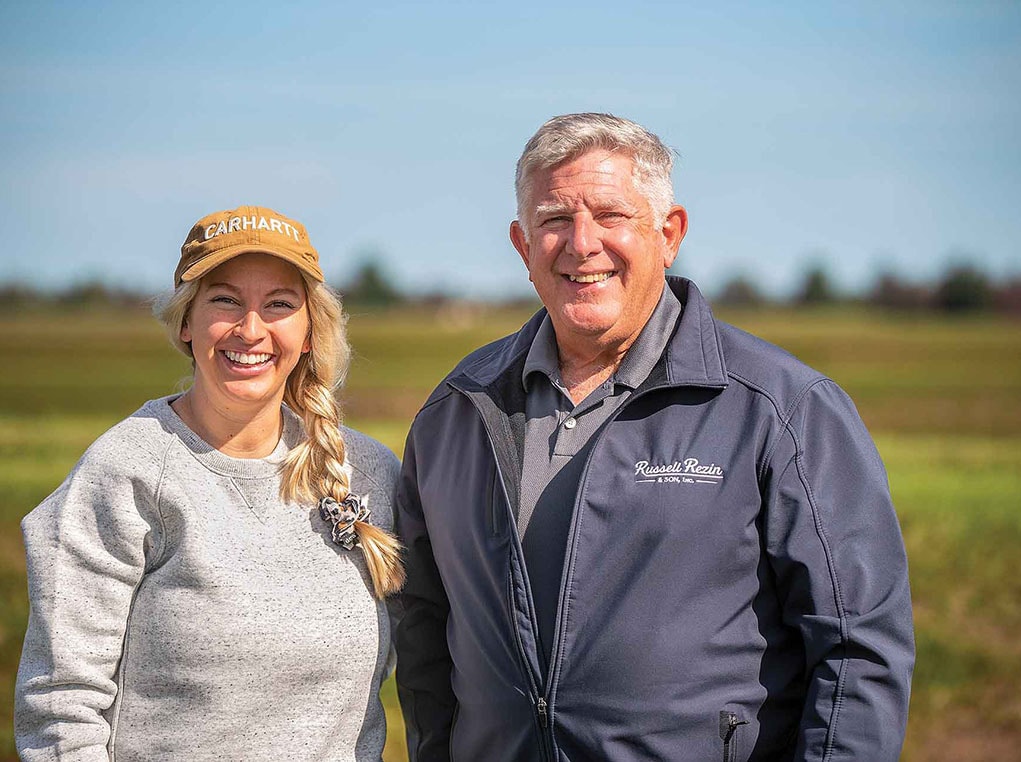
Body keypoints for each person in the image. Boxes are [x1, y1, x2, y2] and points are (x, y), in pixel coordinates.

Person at [392, 114, 915, 761]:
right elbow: (422, 630)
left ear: (669, 235)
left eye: (611, 215)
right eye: (554, 219)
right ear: (523, 246)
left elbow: (858, 648)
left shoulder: (779, 408)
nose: (581, 244)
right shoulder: (457, 412)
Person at [15, 206, 404, 761]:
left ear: (309, 328)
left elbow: (442, 661)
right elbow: (60, 704)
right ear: (185, 322)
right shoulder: (126, 472)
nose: (251, 329)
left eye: (279, 304)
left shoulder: (368, 473)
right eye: (224, 300)